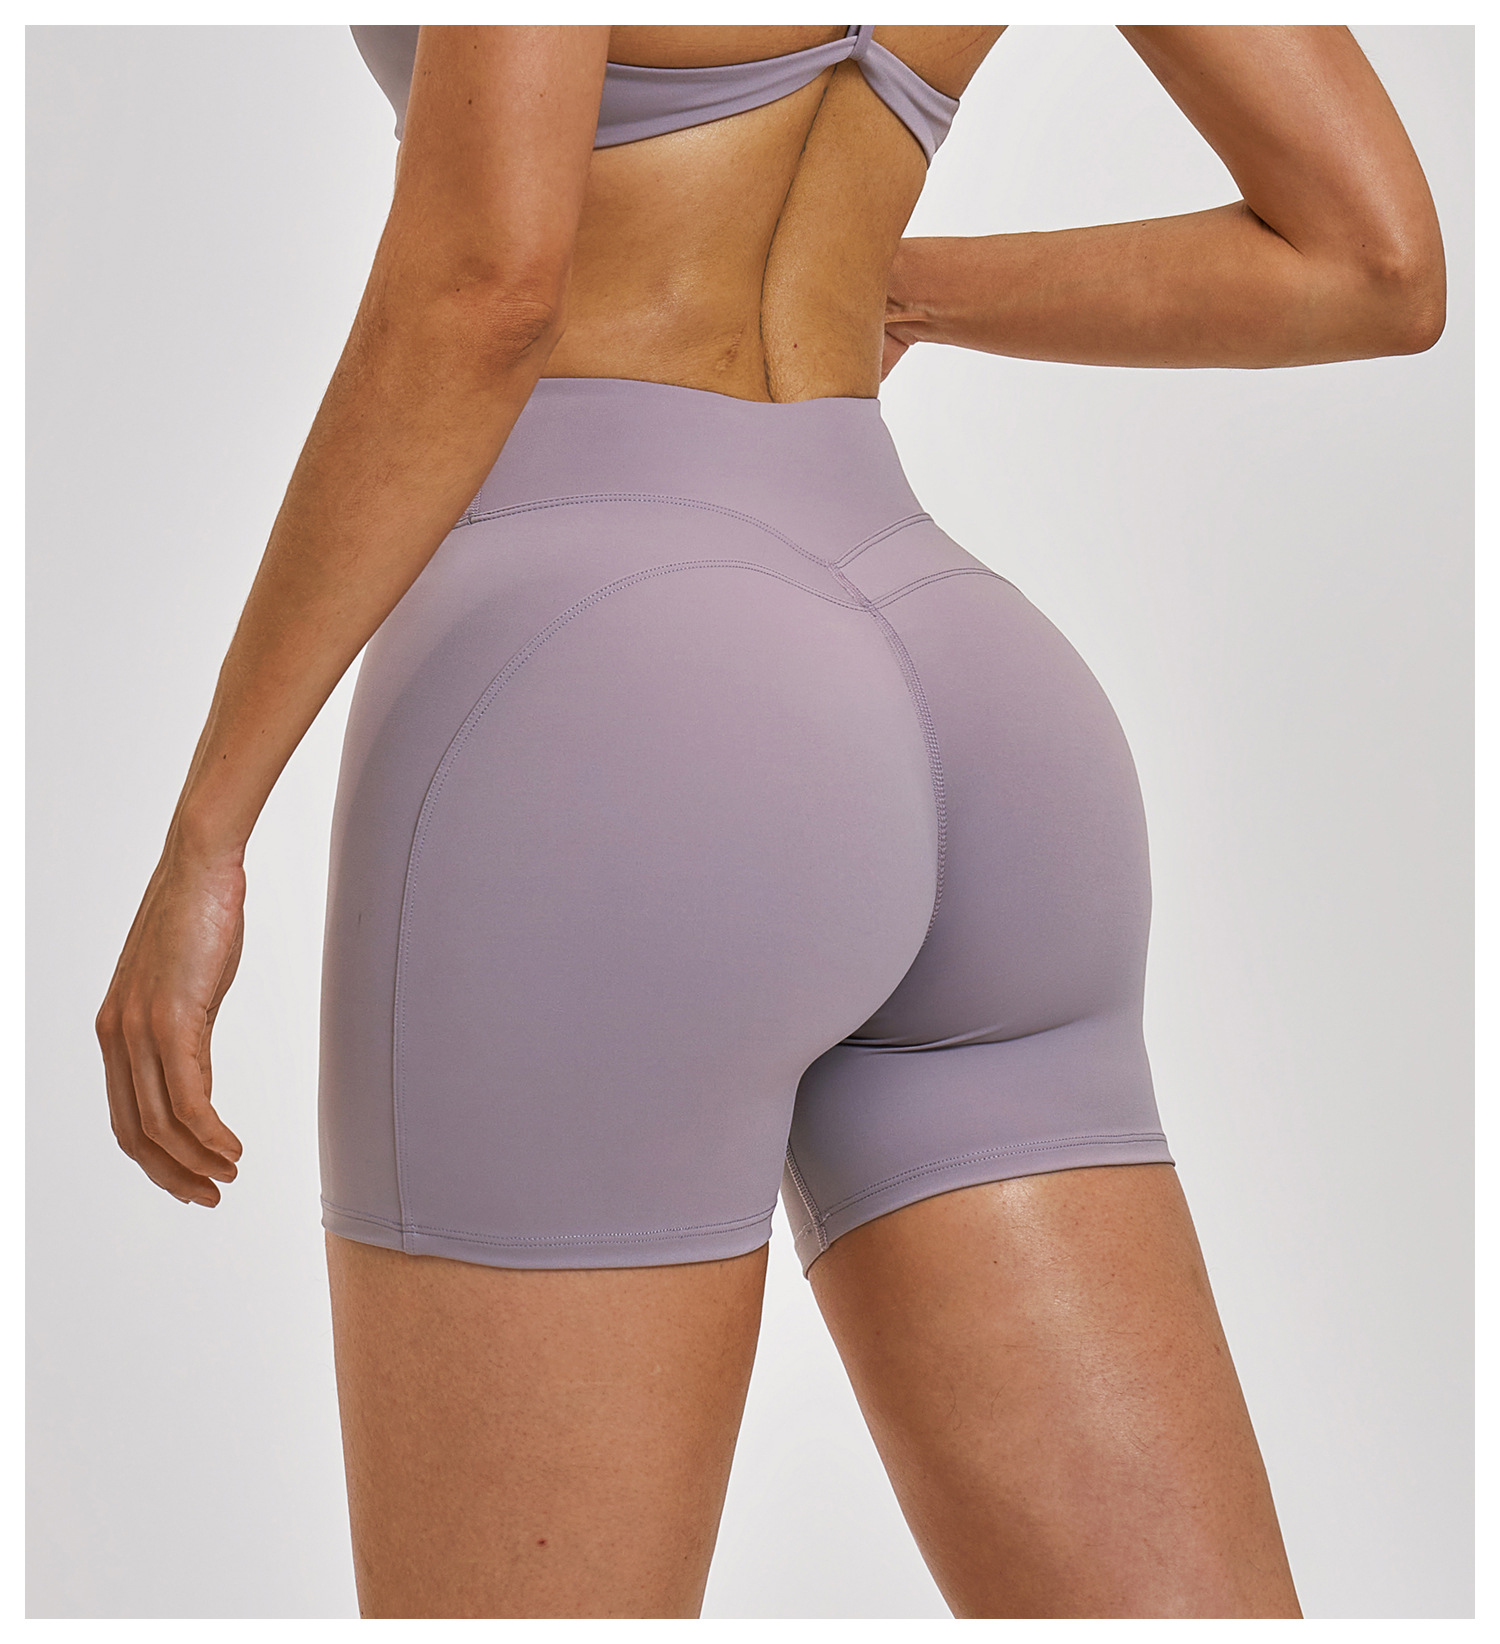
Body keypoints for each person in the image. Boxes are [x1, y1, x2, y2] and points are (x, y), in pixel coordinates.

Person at [95, 24, 1444, 1620]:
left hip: (604, 689)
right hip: (974, 678)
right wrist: (893, 282)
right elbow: (1371, 265)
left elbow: (488, 283)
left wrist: (209, 827)